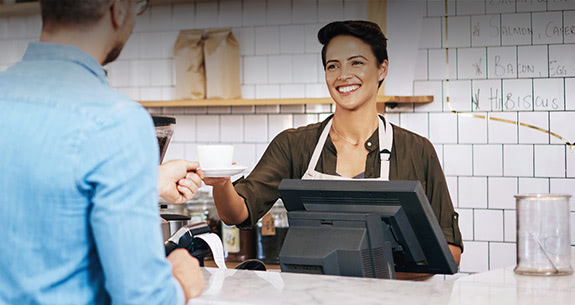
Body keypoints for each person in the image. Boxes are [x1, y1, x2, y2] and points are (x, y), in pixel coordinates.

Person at [204, 20, 463, 265]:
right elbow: (238, 213)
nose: (343, 75)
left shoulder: (416, 151)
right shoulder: (294, 145)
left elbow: (451, 250)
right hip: (313, 291)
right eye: (333, 65)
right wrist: (221, 182)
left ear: (382, 68)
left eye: (356, 63)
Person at [0, 0, 205, 304]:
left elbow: (33, 192)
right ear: (117, 10)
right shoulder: (116, 120)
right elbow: (141, 298)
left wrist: (147, 180)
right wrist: (181, 281)